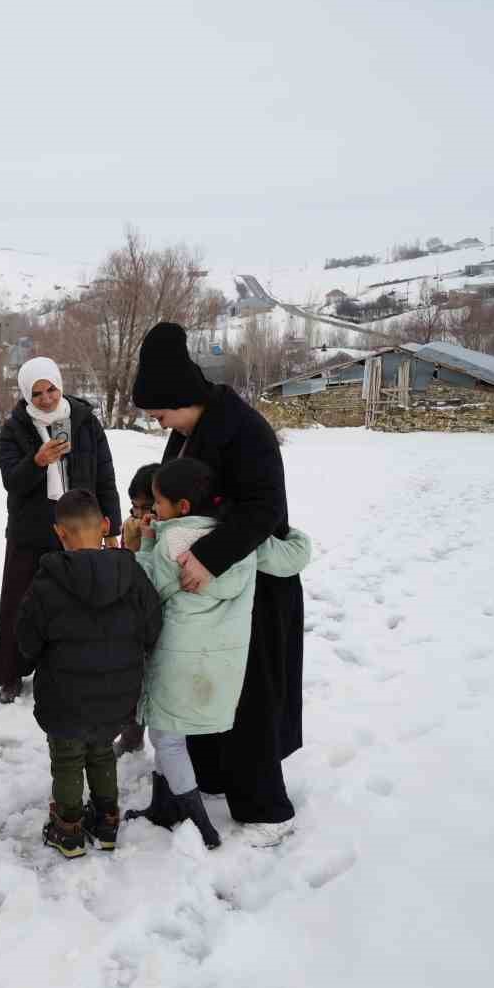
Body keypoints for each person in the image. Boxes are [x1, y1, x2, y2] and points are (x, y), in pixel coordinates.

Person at [131, 321, 308, 847]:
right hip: (203, 596)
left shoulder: (246, 431)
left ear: (181, 398)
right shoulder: (186, 433)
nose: (159, 423)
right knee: (201, 687)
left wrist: (208, 556)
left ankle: (264, 810)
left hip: (251, 592)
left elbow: (265, 509)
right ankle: (206, 778)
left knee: (249, 696)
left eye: (160, 413)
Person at [16, 489, 162, 858]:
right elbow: (152, 627)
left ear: (59, 533)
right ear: (106, 526)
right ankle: (107, 821)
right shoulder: (132, 574)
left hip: (64, 698)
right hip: (117, 694)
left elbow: (27, 639)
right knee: (101, 752)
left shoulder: (48, 583)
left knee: (67, 759)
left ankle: (68, 829)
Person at [0, 357, 121, 704]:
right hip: (30, 528)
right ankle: (12, 671)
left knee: (78, 599)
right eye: (37, 393)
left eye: (51, 389)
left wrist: (112, 528)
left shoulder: (84, 422)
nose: (46, 399)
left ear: (60, 384)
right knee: (20, 599)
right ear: (25, 394)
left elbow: (104, 476)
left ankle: (68, 666)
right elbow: (10, 482)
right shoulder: (14, 428)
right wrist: (38, 461)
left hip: (79, 525)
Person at [115, 462, 162, 756]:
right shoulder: (133, 525)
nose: (141, 515)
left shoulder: (171, 533)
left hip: (163, 616)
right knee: (134, 677)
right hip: (136, 615)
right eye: (135, 508)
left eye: (148, 508)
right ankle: (132, 734)